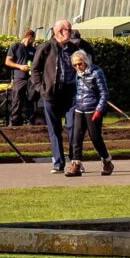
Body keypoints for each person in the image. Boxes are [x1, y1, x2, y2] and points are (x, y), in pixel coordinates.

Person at [32, 19, 85, 172]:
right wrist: (40, 88)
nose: (70, 32)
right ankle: (58, 163)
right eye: (68, 30)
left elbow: (82, 67)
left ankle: (75, 161)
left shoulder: (74, 48)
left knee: (73, 127)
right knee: (54, 129)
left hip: (71, 93)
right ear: (59, 31)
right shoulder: (45, 47)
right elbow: (34, 70)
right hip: (51, 94)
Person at [64, 49, 112, 177]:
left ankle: (107, 161)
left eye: (79, 64)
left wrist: (99, 109)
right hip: (79, 108)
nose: (77, 67)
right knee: (76, 138)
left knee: (95, 137)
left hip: (93, 109)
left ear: (85, 61)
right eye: (74, 65)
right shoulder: (77, 74)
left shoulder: (97, 72)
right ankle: (76, 164)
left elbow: (104, 93)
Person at [3, 28, 40, 124]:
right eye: (34, 38)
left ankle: (31, 122)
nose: (34, 41)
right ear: (30, 37)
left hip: (31, 79)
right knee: (17, 101)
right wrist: (20, 67)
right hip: (19, 78)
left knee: (31, 100)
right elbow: (8, 61)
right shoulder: (16, 46)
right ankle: (14, 123)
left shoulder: (33, 50)